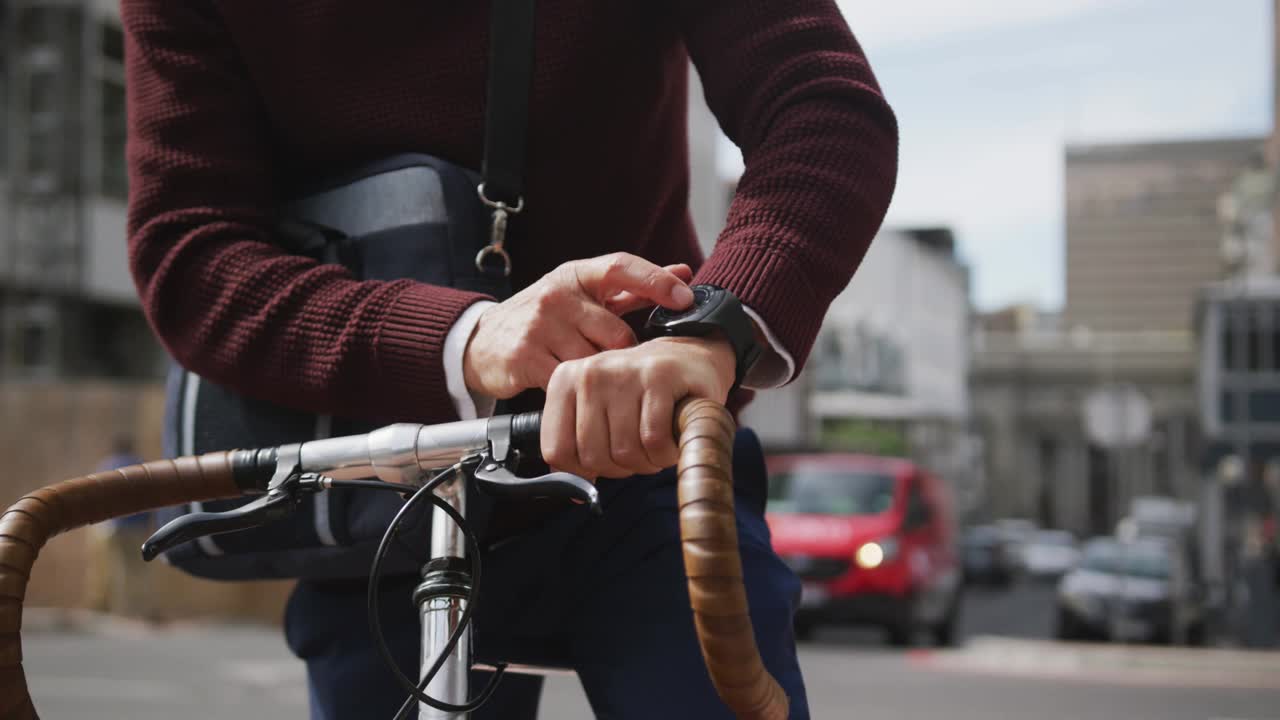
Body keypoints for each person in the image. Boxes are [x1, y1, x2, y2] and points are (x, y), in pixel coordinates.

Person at [121, 1, 898, 718]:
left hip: (637, 439)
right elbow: (193, 253)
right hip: (380, 480)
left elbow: (819, 105)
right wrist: (464, 338)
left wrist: (712, 329)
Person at [83, 436, 152, 616]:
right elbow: (151, 497)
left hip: (108, 527)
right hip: (134, 527)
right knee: (133, 570)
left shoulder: (107, 465)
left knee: (107, 569)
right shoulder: (140, 465)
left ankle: (105, 607)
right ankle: (133, 609)